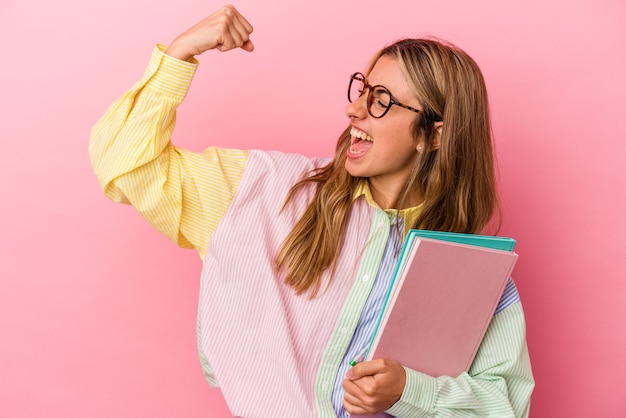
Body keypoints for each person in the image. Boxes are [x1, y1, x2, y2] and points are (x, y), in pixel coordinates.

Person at [89, 5, 534, 417]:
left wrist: (410, 391)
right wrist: (180, 54)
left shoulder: (470, 269)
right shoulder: (262, 190)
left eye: (381, 100)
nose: (353, 109)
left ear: (433, 136)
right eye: (363, 90)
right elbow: (124, 166)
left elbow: (507, 405)